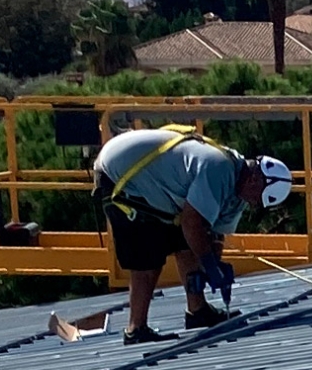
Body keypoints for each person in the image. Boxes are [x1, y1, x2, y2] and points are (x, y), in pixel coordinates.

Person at [91, 126, 295, 344]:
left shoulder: (240, 188)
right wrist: (208, 264)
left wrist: (215, 264)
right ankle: (136, 329)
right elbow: (191, 223)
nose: (254, 204)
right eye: (257, 199)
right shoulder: (220, 168)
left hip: (153, 180)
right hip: (121, 175)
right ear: (255, 180)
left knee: (188, 244)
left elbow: (214, 232)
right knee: (148, 256)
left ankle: (198, 311)